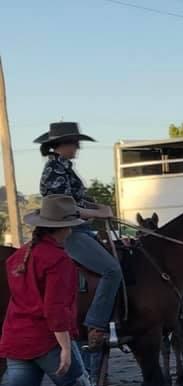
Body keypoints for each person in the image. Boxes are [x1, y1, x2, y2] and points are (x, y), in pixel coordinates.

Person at [0, 195, 150, 386]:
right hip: (48, 343)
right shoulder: (58, 260)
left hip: (16, 342)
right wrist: (66, 347)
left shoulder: (19, 257)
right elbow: (55, 309)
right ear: (62, 228)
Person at [35, 122, 120, 351]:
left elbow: (78, 200)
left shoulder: (63, 168)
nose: (78, 147)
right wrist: (98, 213)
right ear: (62, 145)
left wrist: (100, 207)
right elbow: (65, 209)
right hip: (69, 231)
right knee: (112, 270)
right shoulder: (54, 170)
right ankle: (96, 324)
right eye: (75, 143)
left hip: (80, 228)